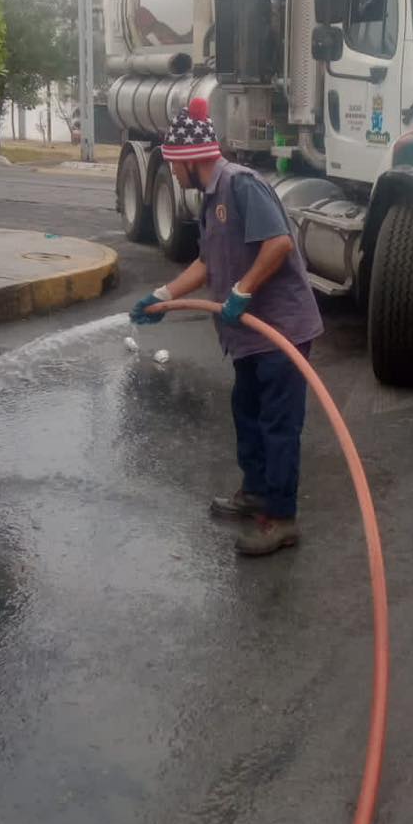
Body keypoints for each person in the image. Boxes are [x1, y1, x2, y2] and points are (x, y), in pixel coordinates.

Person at [130, 98, 323, 557]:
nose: (174, 177)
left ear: (192, 160)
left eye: (175, 169)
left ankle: (281, 519)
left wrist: (242, 291)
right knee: (247, 412)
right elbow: (205, 261)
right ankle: (256, 491)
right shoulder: (211, 198)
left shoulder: (241, 185)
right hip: (250, 339)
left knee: (278, 424)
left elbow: (277, 244)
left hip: (282, 332)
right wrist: (164, 296)